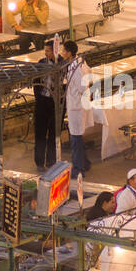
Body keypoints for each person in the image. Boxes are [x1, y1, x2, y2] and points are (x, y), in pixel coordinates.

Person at [61, 40, 92, 179]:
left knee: (76, 138)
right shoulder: (80, 62)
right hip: (78, 104)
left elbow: (82, 87)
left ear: (69, 52)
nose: (62, 53)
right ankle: (85, 163)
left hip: (77, 106)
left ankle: (78, 169)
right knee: (77, 136)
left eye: (63, 51)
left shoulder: (76, 67)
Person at [31, 40, 58, 169]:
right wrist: (38, 98)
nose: (46, 53)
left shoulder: (61, 63)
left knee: (53, 133)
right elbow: (35, 81)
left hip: (54, 102)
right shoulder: (41, 63)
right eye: (45, 51)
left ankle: (51, 161)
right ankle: (39, 161)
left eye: (48, 50)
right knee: (40, 133)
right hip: (42, 101)